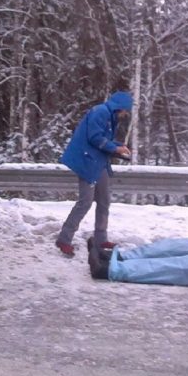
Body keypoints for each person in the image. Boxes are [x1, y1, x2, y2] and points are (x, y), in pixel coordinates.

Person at [55, 88, 133, 256]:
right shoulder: (100, 112)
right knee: (85, 202)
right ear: (120, 107)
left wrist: (118, 148)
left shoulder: (110, 116)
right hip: (87, 162)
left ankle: (101, 239)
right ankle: (64, 239)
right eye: (126, 110)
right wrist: (115, 148)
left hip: (99, 162)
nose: (125, 114)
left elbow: (105, 139)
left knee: (104, 200)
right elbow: (95, 137)